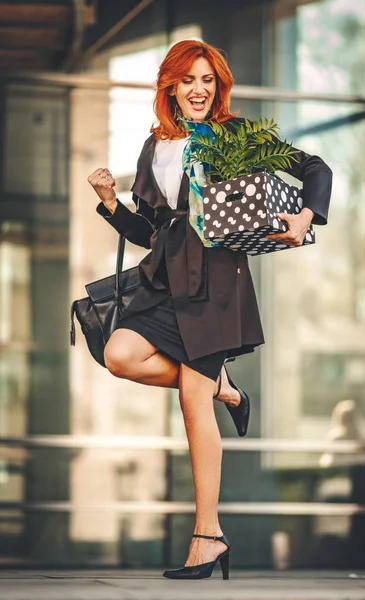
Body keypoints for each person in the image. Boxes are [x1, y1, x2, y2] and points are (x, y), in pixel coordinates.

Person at [87, 40, 332, 580]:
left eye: (209, 80)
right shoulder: (153, 148)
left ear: (217, 87)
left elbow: (313, 165)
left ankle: (208, 537)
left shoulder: (236, 136)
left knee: (193, 407)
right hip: (164, 281)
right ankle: (226, 387)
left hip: (216, 283)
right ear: (170, 86)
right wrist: (111, 204)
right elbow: (152, 232)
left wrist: (304, 215)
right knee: (119, 353)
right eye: (189, 79)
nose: (200, 89)